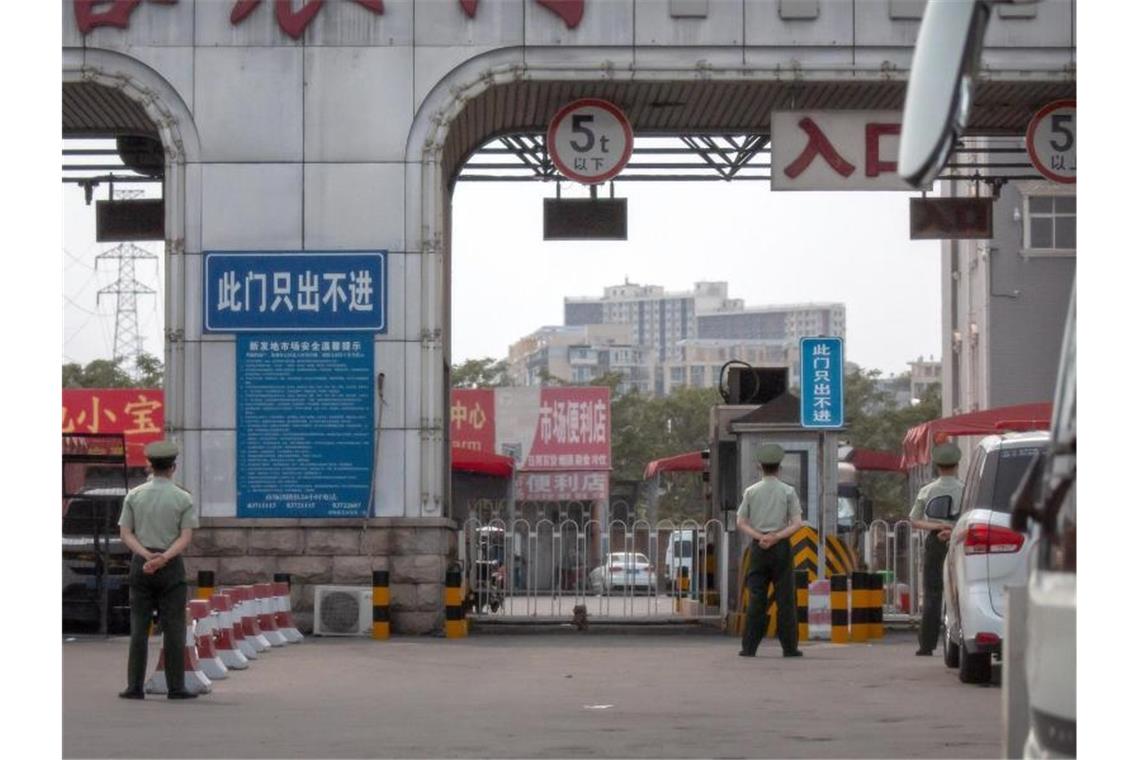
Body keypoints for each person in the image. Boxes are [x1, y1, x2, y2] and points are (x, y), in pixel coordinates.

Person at [117, 440, 200, 700]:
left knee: (139, 627)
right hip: (171, 565)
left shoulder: (134, 495)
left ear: (150, 466)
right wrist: (163, 557)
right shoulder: (183, 497)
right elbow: (185, 537)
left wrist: (145, 556)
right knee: (174, 628)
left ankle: (134, 687)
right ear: (173, 467)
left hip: (140, 564)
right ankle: (176, 687)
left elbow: (125, 533)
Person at [736, 443, 804, 658]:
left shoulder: (751, 491)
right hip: (781, 547)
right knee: (785, 598)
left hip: (758, 548)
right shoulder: (788, 491)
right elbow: (797, 523)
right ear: (779, 467)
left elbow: (741, 522)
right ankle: (789, 648)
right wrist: (776, 537)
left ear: (760, 467)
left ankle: (749, 647)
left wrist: (760, 537)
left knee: (756, 597)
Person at [909, 441, 965, 656]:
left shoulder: (927, 490)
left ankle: (927, 645)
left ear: (937, 465)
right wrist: (951, 529)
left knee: (933, 593)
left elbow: (914, 520)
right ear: (957, 464)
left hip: (935, 542)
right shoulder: (965, 489)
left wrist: (937, 527)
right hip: (958, 540)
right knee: (960, 591)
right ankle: (959, 639)